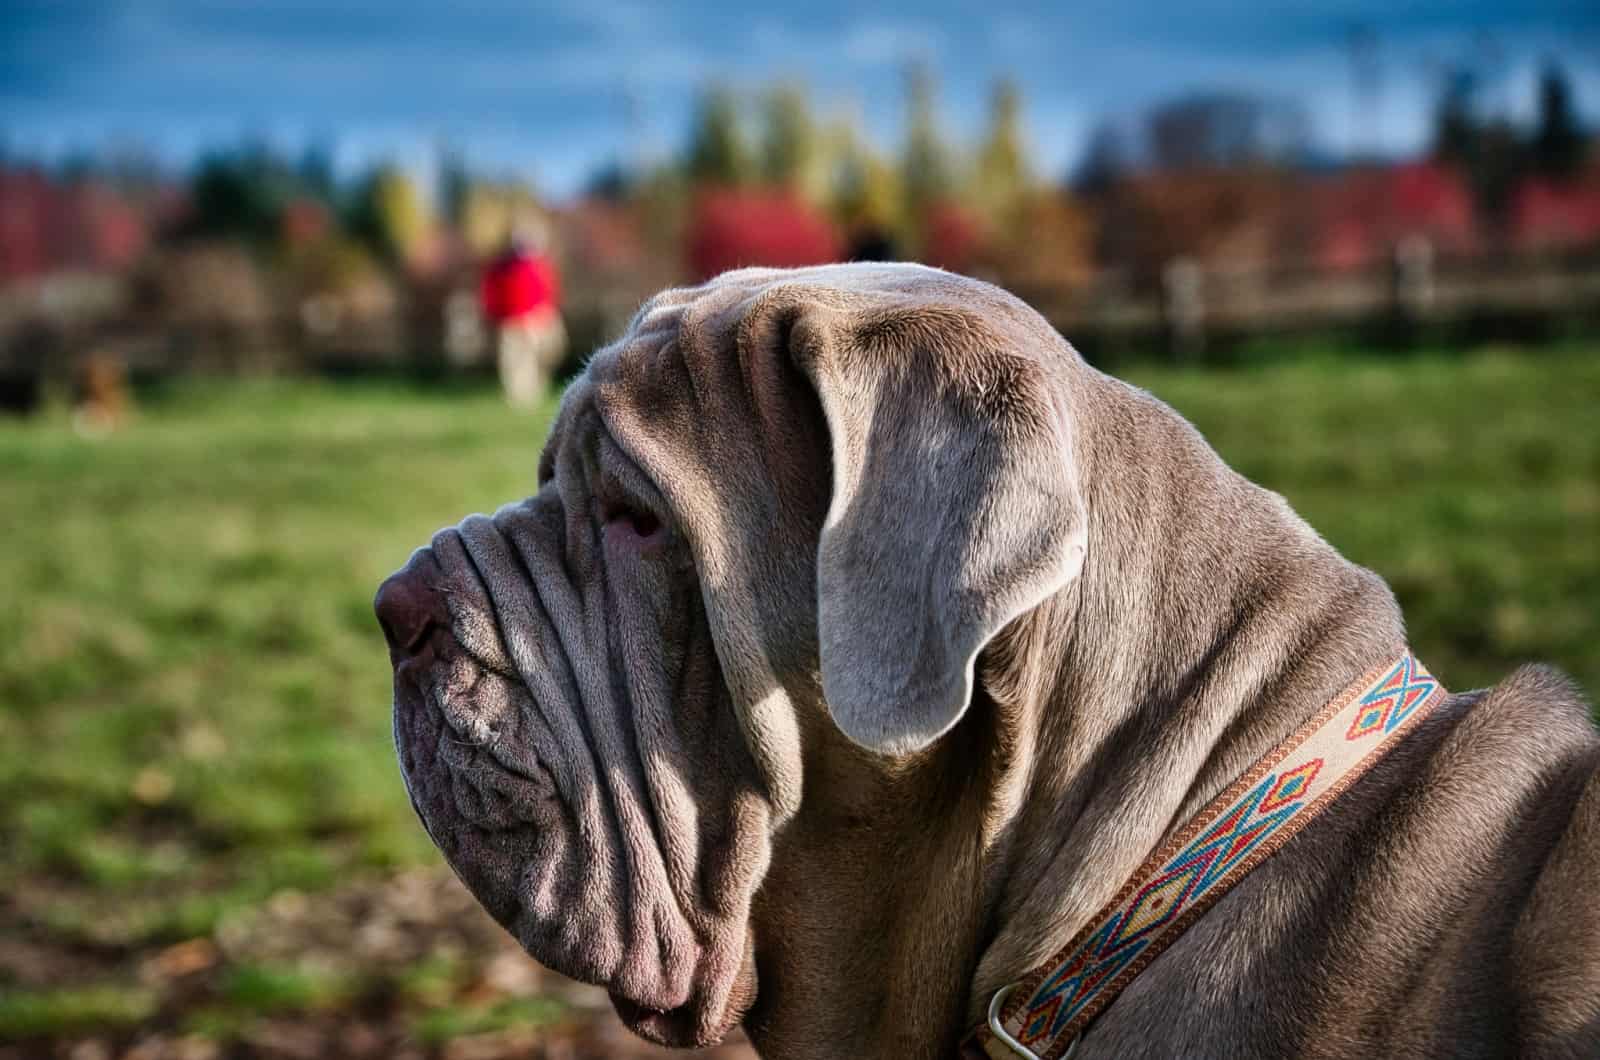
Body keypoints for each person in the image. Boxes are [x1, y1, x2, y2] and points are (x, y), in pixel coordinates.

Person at [479, 223, 566, 407]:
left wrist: (546, 312)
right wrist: (498, 316)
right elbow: (492, 293)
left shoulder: (542, 265)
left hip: (542, 319)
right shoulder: (502, 268)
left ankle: (536, 389)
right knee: (516, 364)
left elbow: (550, 291)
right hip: (513, 322)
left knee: (551, 351)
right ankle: (520, 400)